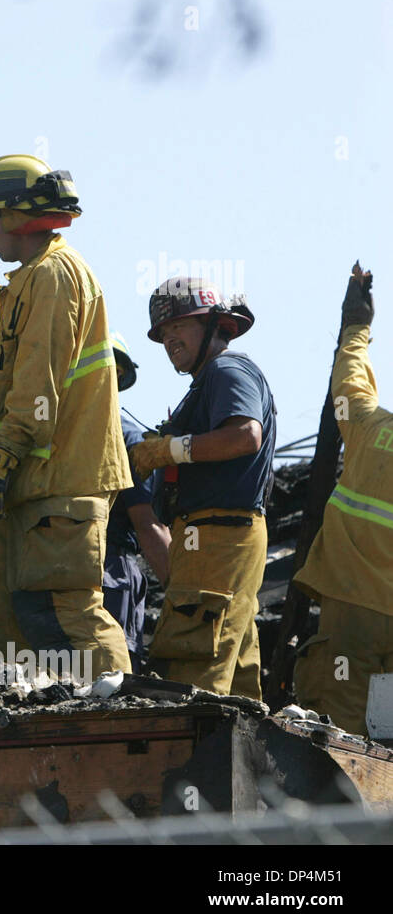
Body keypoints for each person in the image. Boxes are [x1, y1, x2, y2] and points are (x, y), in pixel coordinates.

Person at [0, 153, 132, 682]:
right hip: (33, 487)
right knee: (5, 624)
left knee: (62, 612)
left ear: (16, 214)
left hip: (61, 483)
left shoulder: (53, 278)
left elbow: (37, 391)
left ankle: (119, 718)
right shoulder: (32, 279)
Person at [132, 277, 276, 699]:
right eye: (163, 333)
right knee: (236, 676)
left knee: (190, 669)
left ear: (217, 326)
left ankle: (190, 760)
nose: (169, 339)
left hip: (219, 537)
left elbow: (245, 436)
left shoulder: (227, 369)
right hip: (212, 538)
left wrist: (167, 450)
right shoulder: (207, 381)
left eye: (181, 325)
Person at [293, 265, 392, 736]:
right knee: (388, 739)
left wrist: (356, 327)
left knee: (341, 735)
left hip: (353, 615)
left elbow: (348, 384)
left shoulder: (373, 428)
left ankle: (342, 807)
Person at [103, 333, 171, 672]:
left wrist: (179, 595)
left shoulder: (126, 438)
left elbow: (148, 526)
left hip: (109, 573)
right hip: (77, 575)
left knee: (109, 680)